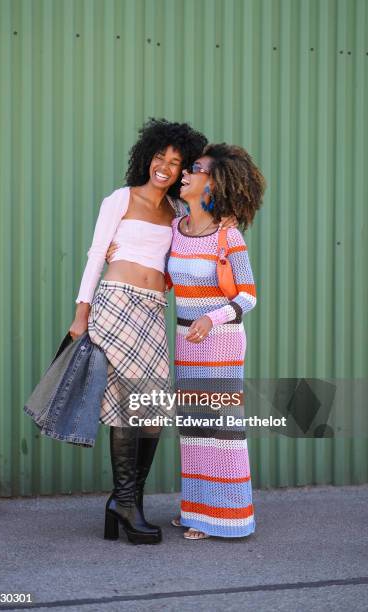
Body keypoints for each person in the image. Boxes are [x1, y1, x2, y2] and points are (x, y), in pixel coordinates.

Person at [69, 118, 208, 544]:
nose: (164, 166)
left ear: (183, 169)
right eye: (159, 157)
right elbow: (96, 254)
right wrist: (81, 314)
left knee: (152, 408)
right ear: (147, 157)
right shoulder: (120, 199)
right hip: (115, 303)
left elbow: (181, 260)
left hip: (152, 312)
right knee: (130, 403)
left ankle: (126, 500)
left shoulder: (178, 213)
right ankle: (127, 503)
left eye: (175, 161)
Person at [167, 143, 265, 540]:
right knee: (193, 426)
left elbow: (248, 296)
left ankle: (226, 516)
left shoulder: (229, 236)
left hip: (220, 341)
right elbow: (166, 280)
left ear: (214, 182)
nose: (185, 173)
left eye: (195, 168)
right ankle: (196, 509)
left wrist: (212, 317)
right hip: (185, 339)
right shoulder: (176, 229)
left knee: (220, 430)